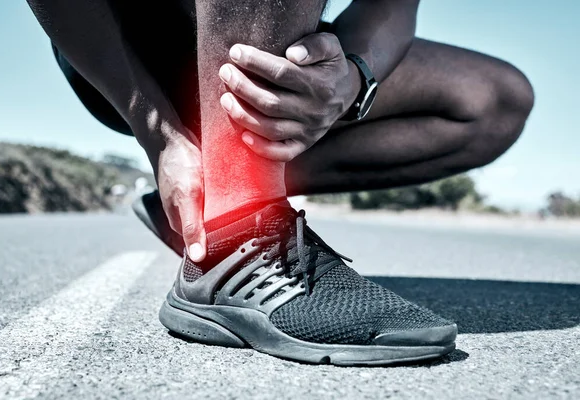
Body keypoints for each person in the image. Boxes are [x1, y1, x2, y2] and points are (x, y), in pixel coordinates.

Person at [27, 0, 533, 365]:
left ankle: (216, 200)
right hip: (119, 46)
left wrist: (352, 78)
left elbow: (393, 6)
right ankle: (237, 227)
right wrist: (157, 132)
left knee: (496, 100)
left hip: (270, 28)